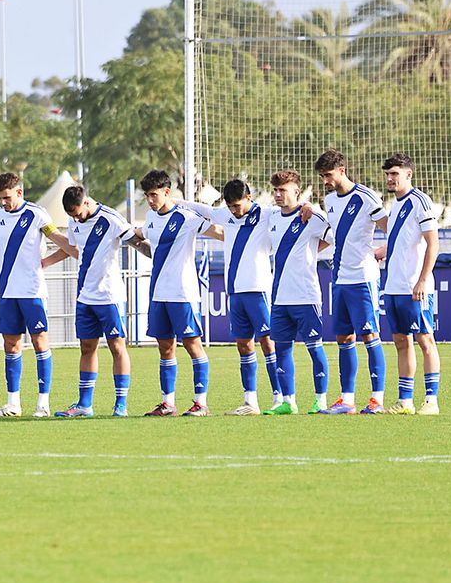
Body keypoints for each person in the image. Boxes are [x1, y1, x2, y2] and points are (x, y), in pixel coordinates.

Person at [0, 172, 79, 417]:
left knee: (39, 341)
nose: (3, 202)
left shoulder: (37, 214)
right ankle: (13, 403)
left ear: (19, 192)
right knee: (10, 345)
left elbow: (57, 238)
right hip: (7, 292)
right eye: (0, 198)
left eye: (7, 197)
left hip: (32, 291)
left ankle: (42, 404)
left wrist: (81, 253)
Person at [129, 169, 220, 417]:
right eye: (147, 195)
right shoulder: (150, 218)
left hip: (183, 294)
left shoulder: (187, 217)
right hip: (158, 293)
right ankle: (168, 403)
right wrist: (125, 235)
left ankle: (201, 403)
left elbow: (220, 231)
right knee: (165, 347)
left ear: (167, 192)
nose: (150, 199)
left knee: (192, 345)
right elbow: (141, 237)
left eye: (154, 194)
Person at [45, 184, 137, 418]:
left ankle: (121, 404)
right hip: (85, 294)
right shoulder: (75, 221)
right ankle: (84, 405)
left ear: (86, 202)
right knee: (87, 348)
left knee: (117, 347)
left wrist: (158, 255)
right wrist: (45, 262)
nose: (75, 218)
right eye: (71, 215)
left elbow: (135, 240)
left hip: (109, 295)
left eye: (77, 213)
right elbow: (73, 249)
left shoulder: (111, 219)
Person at [315, 149, 390, 415]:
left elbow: (390, 228)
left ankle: (377, 400)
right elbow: (334, 235)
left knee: (370, 335)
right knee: (343, 337)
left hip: (362, 277)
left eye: (329, 175)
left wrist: (383, 250)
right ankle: (347, 400)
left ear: (342, 170)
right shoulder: (329, 200)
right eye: (323, 176)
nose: (326, 180)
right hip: (340, 278)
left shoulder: (366, 197)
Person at [376, 152, 442, 415]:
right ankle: (405, 401)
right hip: (393, 287)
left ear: (408, 174)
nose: (390, 179)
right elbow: (403, 240)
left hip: (414, 287)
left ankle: (431, 400)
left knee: (425, 340)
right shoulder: (396, 205)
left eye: (395, 173)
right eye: (388, 174)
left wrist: (423, 280)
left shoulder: (420, 201)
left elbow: (433, 243)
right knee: (401, 341)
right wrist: (383, 249)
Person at [211, 177, 283, 415]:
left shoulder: (266, 213)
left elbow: (289, 209)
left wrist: (306, 207)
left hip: (258, 289)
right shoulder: (226, 216)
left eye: (238, 205)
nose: (234, 210)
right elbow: (201, 210)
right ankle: (250, 401)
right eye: (230, 206)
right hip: (235, 292)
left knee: (267, 341)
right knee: (243, 344)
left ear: (249, 199)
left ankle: (279, 397)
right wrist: (175, 201)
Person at [264, 170, 332, 415]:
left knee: (315, 347)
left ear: (296, 191)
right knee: (282, 349)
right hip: (280, 297)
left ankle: (320, 400)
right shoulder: (270, 216)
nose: (278, 195)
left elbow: (335, 236)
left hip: (306, 296)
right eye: (276, 190)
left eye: (283, 190)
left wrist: (312, 247)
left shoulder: (311, 217)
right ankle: (288, 402)